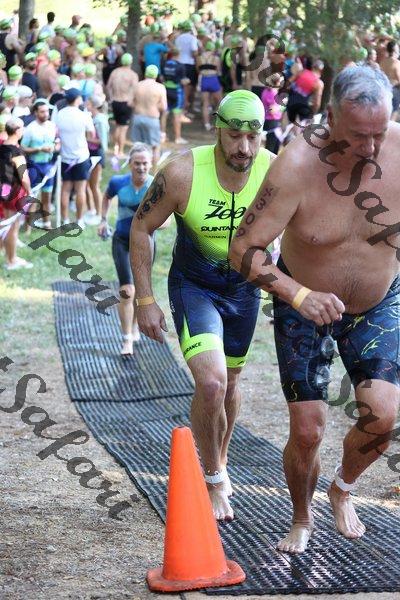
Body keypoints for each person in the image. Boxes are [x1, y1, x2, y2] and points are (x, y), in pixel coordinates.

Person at [229, 66, 400, 553]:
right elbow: (242, 249)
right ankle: (301, 517)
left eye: (379, 132)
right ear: (330, 117)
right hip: (302, 303)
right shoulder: (296, 166)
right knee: (307, 430)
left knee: (382, 418)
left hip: (378, 301)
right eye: (358, 136)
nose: (371, 147)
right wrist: (299, 295)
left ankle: (342, 488)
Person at [130, 90, 272, 521]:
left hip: (244, 292)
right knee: (211, 383)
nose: (243, 148)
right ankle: (211, 477)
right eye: (234, 136)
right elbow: (141, 228)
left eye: (252, 137)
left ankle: (220, 460)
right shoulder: (182, 173)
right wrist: (145, 299)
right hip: (195, 287)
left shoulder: (276, 171)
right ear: (217, 130)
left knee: (230, 384)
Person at [98, 144, 155, 355]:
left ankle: (135, 326)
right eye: (137, 163)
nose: (141, 167)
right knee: (127, 291)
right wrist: (103, 220)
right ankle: (126, 339)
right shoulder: (117, 182)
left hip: (146, 244)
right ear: (129, 163)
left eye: (145, 163)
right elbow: (106, 196)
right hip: (122, 240)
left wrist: (156, 223)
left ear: (151, 164)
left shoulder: (156, 185)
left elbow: (167, 218)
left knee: (140, 291)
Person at [54, 87, 95, 227]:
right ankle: (79, 220)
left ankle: (64, 219)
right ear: (77, 99)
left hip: (65, 157)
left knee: (65, 189)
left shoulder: (60, 114)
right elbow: (92, 133)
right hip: (81, 156)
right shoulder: (83, 115)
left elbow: (55, 132)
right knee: (80, 190)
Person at [0, 117, 32, 269]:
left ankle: (10, 256)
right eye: (22, 127)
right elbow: (24, 177)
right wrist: (29, 191)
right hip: (15, 191)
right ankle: (11, 260)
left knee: (7, 224)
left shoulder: (2, 147)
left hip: (4, 189)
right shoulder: (16, 152)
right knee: (13, 227)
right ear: (17, 130)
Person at [21, 99, 58, 229]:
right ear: (36, 113)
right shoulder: (30, 128)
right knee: (33, 197)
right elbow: (23, 148)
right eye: (42, 112)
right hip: (35, 166)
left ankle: (47, 223)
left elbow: (57, 141)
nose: (46, 114)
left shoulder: (52, 126)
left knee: (47, 195)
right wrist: (39, 149)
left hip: (48, 164)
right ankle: (28, 227)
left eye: (47, 111)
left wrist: (55, 147)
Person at [131, 65, 167, 165]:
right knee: (155, 146)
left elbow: (130, 103)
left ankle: (136, 168)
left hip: (138, 117)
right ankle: (154, 171)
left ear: (145, 74)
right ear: (156, 75)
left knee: (137, 147)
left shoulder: (138, 85)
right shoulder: (160, 87)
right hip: (152, 118)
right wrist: (154, 105)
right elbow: (164, 107)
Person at [106, 52, 138, 157]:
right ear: (131, 62)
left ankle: (116, 148)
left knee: (117, 126)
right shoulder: (132, 75)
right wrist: (132, 101)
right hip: (126, 102)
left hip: (115, 102)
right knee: (123, 128)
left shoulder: (115, 72)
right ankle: (120, 151)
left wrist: (111, 97)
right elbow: (135, 90)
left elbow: (108, 86)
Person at [86, 95, 109, 225]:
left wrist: (85, 139)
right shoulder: (93, 118)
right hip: (90, 154)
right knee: (88, 184)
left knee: (94, 185)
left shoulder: (100, 120)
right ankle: (91, 210)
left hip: (97, 155)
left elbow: (103, 143)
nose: (86, 105)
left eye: (88, 103)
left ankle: (99, 214)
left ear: (94, 106)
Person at [161, 47, 189, 144]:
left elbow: (162, 77)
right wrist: (187, 81)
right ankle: (178, 138)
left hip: (166, 90)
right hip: (177, 92)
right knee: (177, 114)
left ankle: (162, 136)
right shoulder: (180, 66)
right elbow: (183, 80)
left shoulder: (164, 64)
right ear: (178, 55)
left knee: (165, 113)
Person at [286, 59, 324, 126]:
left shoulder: (302, 72)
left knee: (286, 125)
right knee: (298, 127)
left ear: (312, 67)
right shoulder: (319, 83)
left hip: (290, 102)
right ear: (321, 71)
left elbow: (288, 83)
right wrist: (312, 114)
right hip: (302, 108)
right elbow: (317, 103)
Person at [197, 40, 222, 131]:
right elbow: (218, 70)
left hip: (204, 79)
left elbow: (198, 70)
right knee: (220, 102)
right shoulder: (216, 58)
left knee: (205, 104)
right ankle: (219, 123)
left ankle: (206, 124)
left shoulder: (199, 57)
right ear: (213, 48)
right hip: (213, 79)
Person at [174, 20, 198, 115]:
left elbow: (176, 51)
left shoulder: (178, 38)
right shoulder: (192, 38)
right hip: (189, 64)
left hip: (179, 63)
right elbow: (194, 52)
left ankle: (179, 108)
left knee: (180, 87)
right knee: (188, 88)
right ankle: (184, 110)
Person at [379, 41, 400, 120]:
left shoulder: (382, 63)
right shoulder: (397, 63)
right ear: (395, 50)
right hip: (394, 91)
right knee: (393, 117)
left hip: (383, 91)